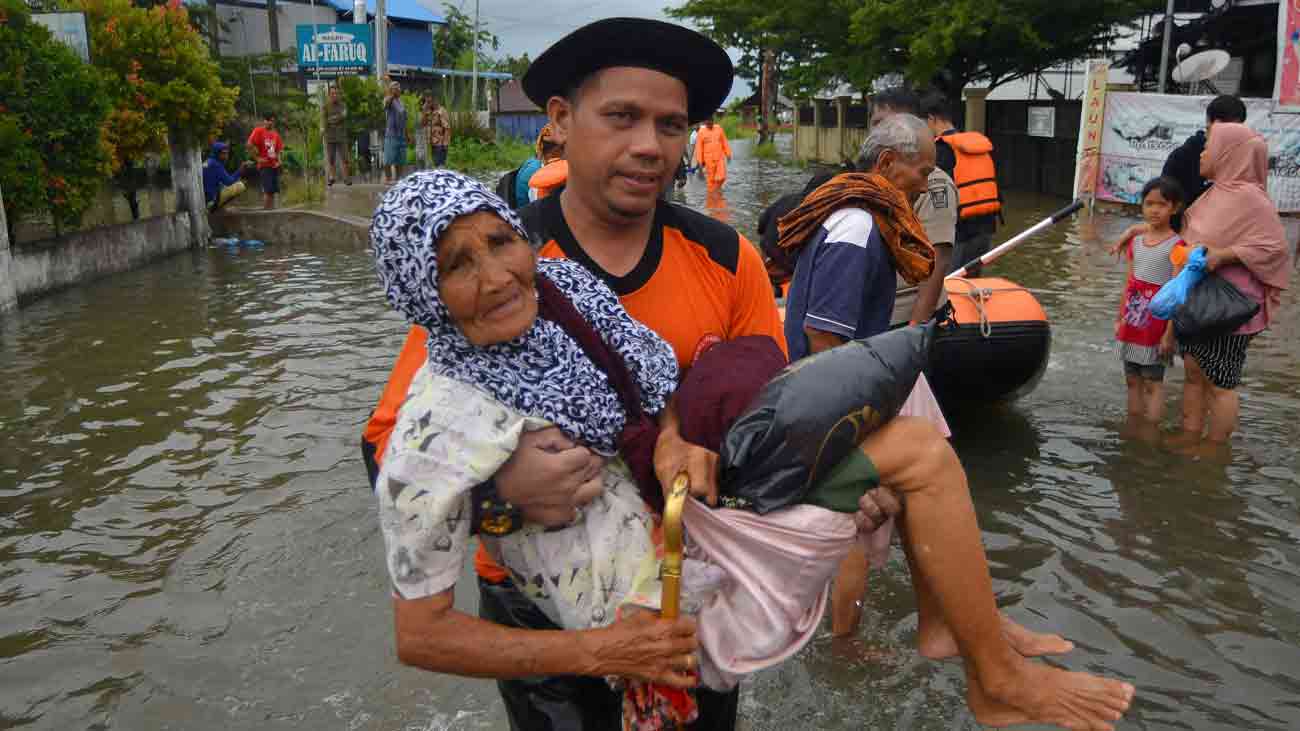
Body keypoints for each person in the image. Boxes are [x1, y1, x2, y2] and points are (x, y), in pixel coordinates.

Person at [363, 18, 1136, 731]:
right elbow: (391, 449)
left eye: (671, 125)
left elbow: (771, 405)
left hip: (696, 559)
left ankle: (978, 645)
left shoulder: (721, 255)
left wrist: (845, 471)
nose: (649, 146)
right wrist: (504, 491)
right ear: (560, 121)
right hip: (543, 604)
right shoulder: (499, 275)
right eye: (622, 117)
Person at [1171, 122, 1291, 445]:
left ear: (1228, 153)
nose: (1202, 154)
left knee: (1220, 382)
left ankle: (1215, 448)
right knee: (1193, 373)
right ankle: (1189, 435)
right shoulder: (1213, 194)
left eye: (1208, 147)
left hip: (1229, 307)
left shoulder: (1251, 198)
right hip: (1197, 301)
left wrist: (1224, 255)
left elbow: (1274, 248)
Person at [873, 87, 958, 324]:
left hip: (903, 315)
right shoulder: (871, 180)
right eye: (875, 123)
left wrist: (915, 330)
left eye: (888, 124)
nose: (879, 132)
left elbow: (937, 263)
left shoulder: (933, 184)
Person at [1107, 177, 1186, 423]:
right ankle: (1133, 426)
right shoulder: (1136, 242)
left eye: (1162, 204)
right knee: (1132, 379)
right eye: (1149, 204)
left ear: (1175, 208)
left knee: (1153, 381)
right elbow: (1129, 283)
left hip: (1156, 324)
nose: (1154, 210)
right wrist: (1119, 318)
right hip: (1132, 319)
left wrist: (1169, 334)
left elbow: (1176, 294)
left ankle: (1150, 431)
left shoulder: (1177, 246)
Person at [920, 91, 1000, 276]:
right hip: (985, 229)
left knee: (948, 284)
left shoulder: (940, 150)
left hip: (956, 235)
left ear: (931, 119)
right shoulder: (977, 146)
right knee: (971, 284)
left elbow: (933, 197)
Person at [1161, 94, 1246, 214]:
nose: (1235, 134)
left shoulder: (1239, 157)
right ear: (1214, 124)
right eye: (1231, 128)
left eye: (1238, 129)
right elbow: (1165, 201)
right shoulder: (1182, 156)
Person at [246, 112, 283, 210]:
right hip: (265, 166)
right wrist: (257, 158)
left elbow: (278, 150)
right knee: (267, 190)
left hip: (274, 166)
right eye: (269, 120)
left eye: (273, 121)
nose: (271, 123)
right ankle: (266, 212)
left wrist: (279, 161)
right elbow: (249, 145)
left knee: (273, 191)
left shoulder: (275, 134)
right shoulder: (259, 131)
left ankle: (272, 211)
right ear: (264, 121)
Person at [201, 142, 250, 211]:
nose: (226, 156)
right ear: (217, 153)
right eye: (223, 153)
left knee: (222, 186)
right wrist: (240, 170)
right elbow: (229, 182)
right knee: (240, 185)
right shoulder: (216, 164)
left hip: (204, 198)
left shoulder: (208, 162)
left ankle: (216, 206)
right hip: (211, 200)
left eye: (227, 153)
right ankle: (216, 207)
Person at [321, 84, 352, 186]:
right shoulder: (326, 106)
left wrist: (332, 119)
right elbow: (324, 120)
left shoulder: (343, 105)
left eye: (336, 93)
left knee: (345, 158)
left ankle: (346, 178)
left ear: (339, 94)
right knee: (331, 158)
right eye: (332, 93)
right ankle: (332, 177)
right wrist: (326, 125)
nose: (334, 95)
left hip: (341, 135)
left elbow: (344, 115)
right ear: (329, 95)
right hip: (330, 136)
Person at [692, 116, 732, 191]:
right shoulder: (701, 132)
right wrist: (700, 164)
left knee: (722, 177)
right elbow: (699, 149)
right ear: (705, 122)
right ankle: (713, 194)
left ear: (713, 121)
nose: (709, 123)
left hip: (719, 158)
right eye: (707, 122)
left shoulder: (719, 128)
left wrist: (728, 154)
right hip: (708, 160)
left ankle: (716, 189)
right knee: (711, 180)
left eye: (711, 121)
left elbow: (724, 142)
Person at [383, 80, 408, 184]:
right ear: (391, 90)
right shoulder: (388, 99)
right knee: (388, 159)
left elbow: (404, 119)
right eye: (396, 88)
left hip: (401, 135)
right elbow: (386, 105)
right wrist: (392, 94)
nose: (398, 90)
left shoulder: (401, 102)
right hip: (391, 134)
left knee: (400, 159)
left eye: (399, 88)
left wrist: (407, 134)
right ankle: (388, 179)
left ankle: (398, 179)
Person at [424, 95, 451, 168]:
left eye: (429, 102)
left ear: (435, 101)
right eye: (427, 102)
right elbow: (423, 123)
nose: (428, 104)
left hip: (440, 143)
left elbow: (447, 128)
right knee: (436, 164)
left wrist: (445, 143)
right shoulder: (429, 112)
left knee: (440, 166)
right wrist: (425, 110)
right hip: (433, 143)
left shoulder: (441, 111)